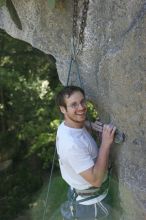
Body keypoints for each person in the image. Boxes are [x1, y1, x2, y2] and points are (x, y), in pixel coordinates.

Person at [56, 86, 116, 220]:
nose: (81, 107)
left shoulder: (65, 127)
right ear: (63, 109)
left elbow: (77, 125)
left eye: (82, 101)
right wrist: (105, 144)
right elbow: (96, 180)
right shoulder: (72, 144)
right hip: (92, 206)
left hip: (81, 194)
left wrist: (90, 125)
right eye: (73, 105)